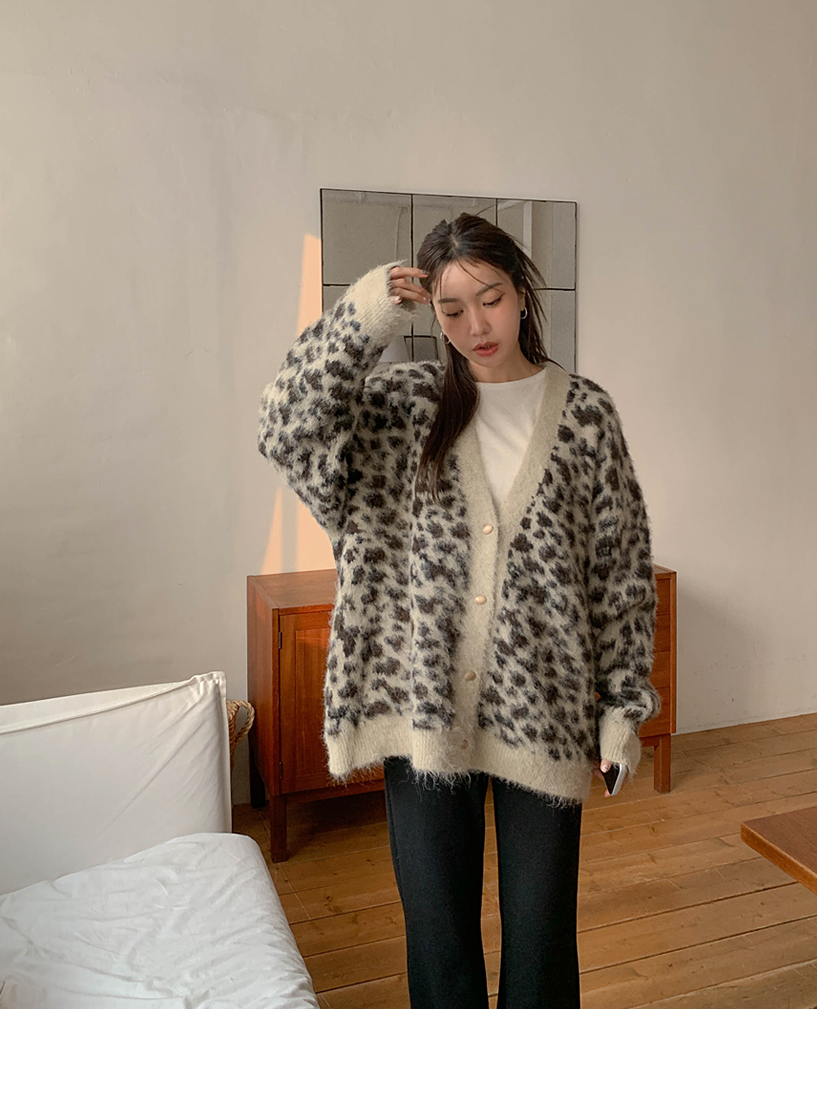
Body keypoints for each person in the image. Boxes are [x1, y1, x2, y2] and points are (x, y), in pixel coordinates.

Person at [258, 212, 660, 1008]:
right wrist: (366, 313)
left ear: (522, 292)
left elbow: (619, 571)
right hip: (425, 710)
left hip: (545, 710)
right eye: (451, 308)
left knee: (542, 939)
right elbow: (285, 424)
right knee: (439, 939)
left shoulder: (585, 414)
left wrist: (621, 709)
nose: (477, 325)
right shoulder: (401, 406)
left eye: (492, 298)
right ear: (431, 313)